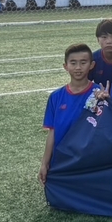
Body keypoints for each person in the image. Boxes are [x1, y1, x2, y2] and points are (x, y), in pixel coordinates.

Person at [39, 44, 97, 184]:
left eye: (83, 62)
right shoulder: (56, 96)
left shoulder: (99, 94)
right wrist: (44, 163)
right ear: (65, 66)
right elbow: (52, 132)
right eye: (73, 63)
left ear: (91, 65)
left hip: (89, 159)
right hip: (62, 160)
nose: (78, 67)